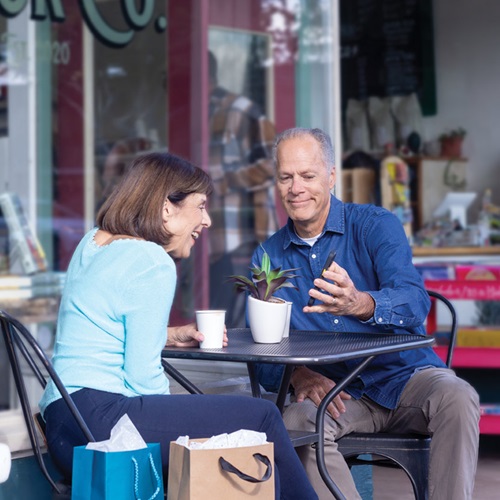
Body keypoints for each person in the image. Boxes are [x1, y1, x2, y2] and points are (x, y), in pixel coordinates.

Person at [39, 151, 318, 499]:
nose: (207, 221)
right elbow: (143, 379)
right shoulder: (151, 261)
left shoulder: (94, 241)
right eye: (200, 206)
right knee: (262, 416)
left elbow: (99, 320)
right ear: (167, 208)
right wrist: (184, 434)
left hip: (64, 422)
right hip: (106, 425)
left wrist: (167, 335)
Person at [252, 128, 481, 499]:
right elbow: (263, 353)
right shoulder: (268, 258)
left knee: (458, 396)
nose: (296, 187)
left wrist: (362, 303)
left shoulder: (375, 225)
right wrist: (298, 374)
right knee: (294, 421)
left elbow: (415, 300)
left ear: (330, 177)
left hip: (406, 376)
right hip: (338, 394)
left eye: (308, 176)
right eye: (286, 177)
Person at [207, 50, 279, 326]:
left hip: (239, 237)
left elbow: (273, 164)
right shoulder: (185, 111)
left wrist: (225, 181)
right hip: (202, 237)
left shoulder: (240, 109)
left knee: (234, 326)